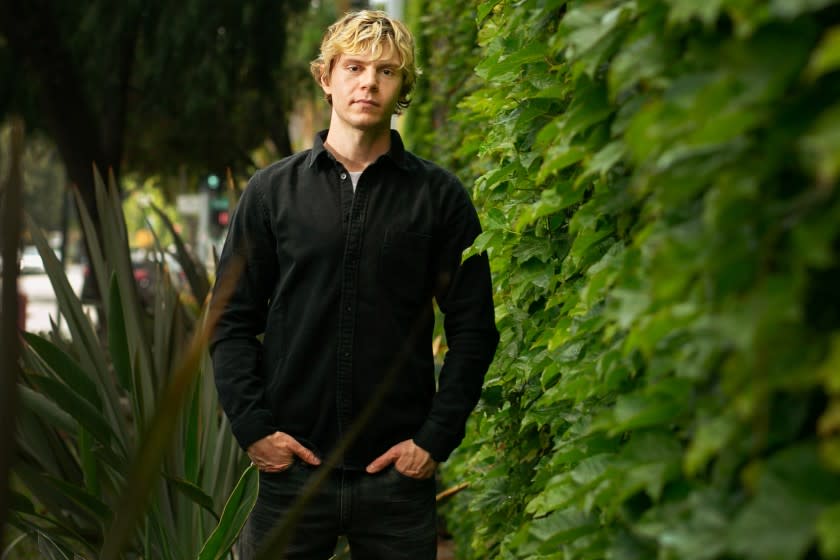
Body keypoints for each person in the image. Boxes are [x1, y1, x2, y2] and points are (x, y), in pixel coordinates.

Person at [210, 9, 499, 559]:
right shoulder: (271, 193)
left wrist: (434, 440)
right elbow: (230, 319)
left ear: (403, 88)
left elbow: (474, 327)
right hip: (292, 471)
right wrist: (254, 430)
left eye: (387, 72)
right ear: (327, 77)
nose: (369, 82)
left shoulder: (439, 198)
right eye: (355, 67)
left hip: (396, 476)